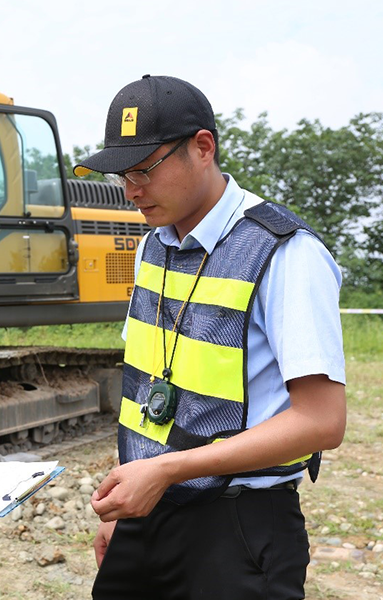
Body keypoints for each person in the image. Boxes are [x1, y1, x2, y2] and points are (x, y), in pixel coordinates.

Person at [73, 75, 346, 599]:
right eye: (121, 175)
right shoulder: (152, 246)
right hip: (147, 511)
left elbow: (321, 421)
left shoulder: (284, 252)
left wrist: (169, 470)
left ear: (203, 147)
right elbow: (147, 388)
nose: (131, 190)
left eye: (143, 170)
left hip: (238, 529)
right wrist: (125, 505)